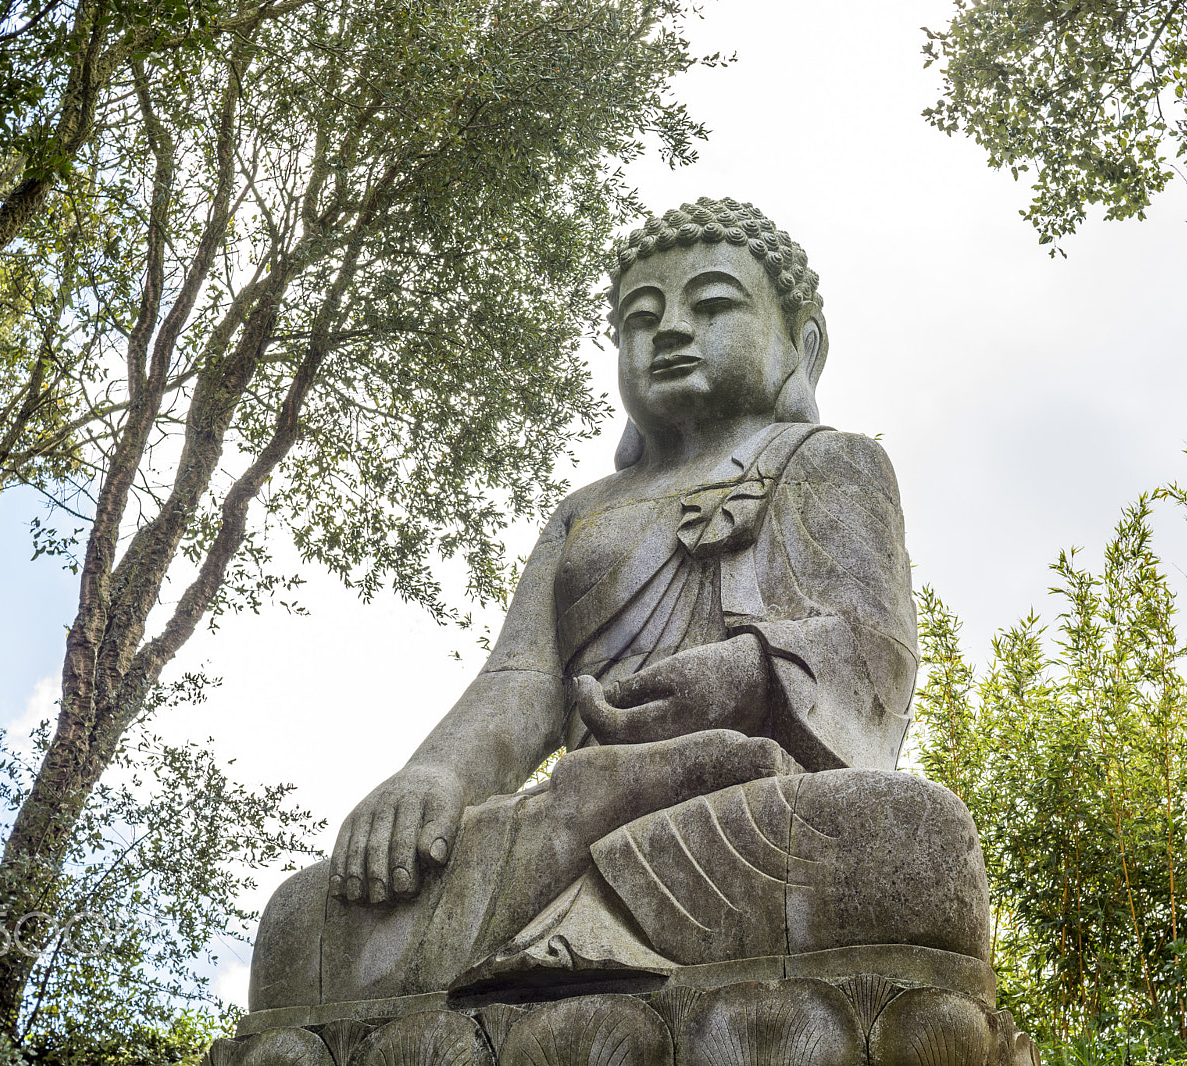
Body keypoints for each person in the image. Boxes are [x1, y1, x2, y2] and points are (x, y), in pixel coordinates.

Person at [247, 198, 992, 1014]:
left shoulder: (830, 463)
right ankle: (589, 907)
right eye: (641, 318)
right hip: (575, 815)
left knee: (910, 837)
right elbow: (522, 680)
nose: (671, 330)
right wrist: (433, 775)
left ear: (802, 345)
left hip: (739, 800)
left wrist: (743, 676)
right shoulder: (584, 511)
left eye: (712, 306)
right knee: (301, 920)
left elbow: (871, 651)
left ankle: (588, 915)